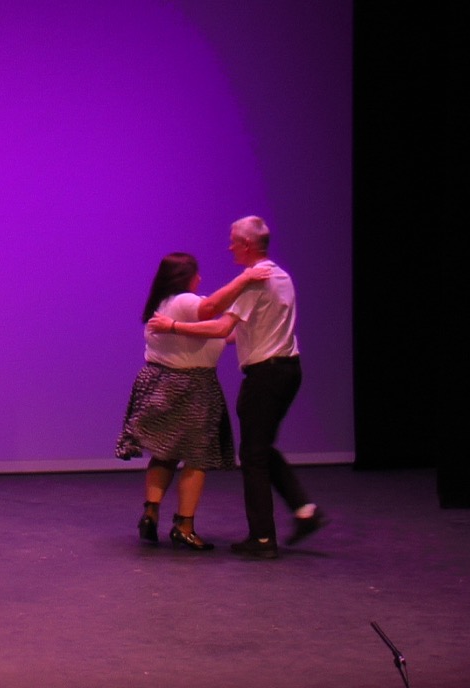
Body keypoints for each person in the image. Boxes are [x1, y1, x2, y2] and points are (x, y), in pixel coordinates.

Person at [148, 216, 324, 558]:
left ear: (246, 244)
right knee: (262, 446)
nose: (229, 247)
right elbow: (240, 332)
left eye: (233, 241)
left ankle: (263, 538)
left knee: (253, 456)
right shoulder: (282, 277)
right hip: (289, 370)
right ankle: (305, 511)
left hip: (265, 376)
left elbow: (218, 326)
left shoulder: (254, 282)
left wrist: (172, 327)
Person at [117, 252, 233, 551]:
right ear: (186, 277)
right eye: (197, 274)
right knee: (196, 457)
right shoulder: (186, 302)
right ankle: (184, 525)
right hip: (191, 386)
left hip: (160, 382)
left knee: (165, 453)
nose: (201, 279)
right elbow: (213, 314)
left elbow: (213, 334)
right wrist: (241, 292)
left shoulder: (162, 304)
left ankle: (151, 510)